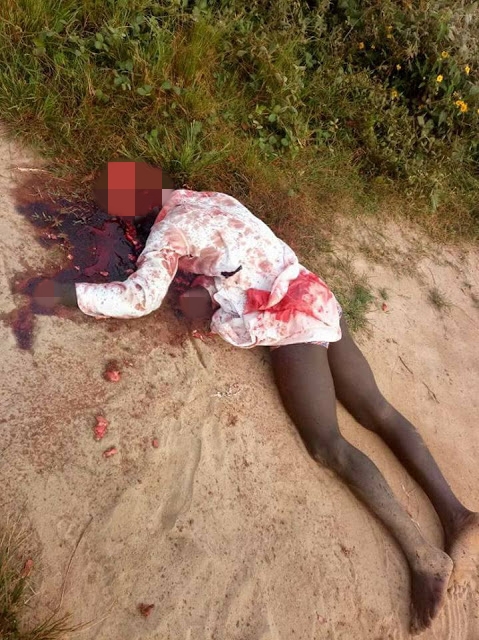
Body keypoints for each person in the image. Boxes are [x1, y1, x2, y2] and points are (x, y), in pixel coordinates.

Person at [32, 161, 478, 634]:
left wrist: (58, 293)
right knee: (378, 410)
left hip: (289, 319)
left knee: (328, 445)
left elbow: (138, 298)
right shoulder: (211, 198)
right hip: (314, 292)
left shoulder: (171, 230)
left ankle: (424, 557)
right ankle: (456, 514)